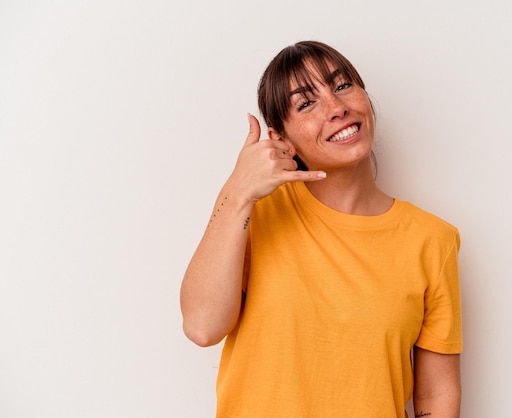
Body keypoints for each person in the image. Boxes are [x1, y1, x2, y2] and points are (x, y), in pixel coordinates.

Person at [180, 40, 463, 418]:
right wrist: (237, 193)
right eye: (306, 103)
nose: (337, 108)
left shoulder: (432, 240)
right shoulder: (254, 215)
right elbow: (202, 327)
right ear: (280, 138)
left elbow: (436, 397)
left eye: (342, 85)